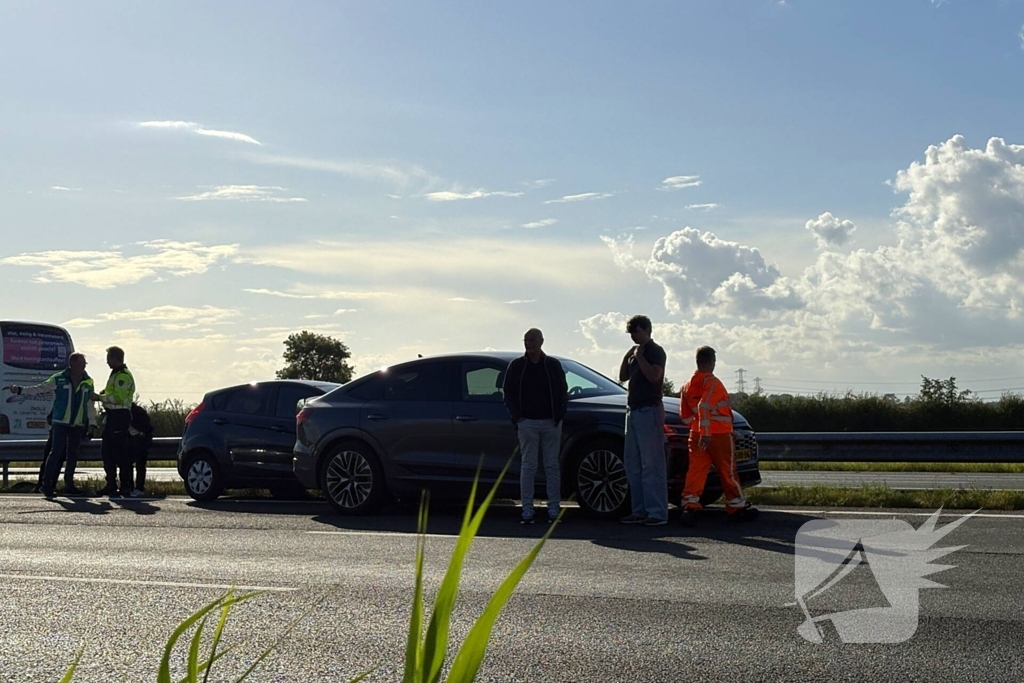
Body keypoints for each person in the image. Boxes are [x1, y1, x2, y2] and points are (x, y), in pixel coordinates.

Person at [678, 346, 758, 525]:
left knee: (696, 472)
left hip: (697, 435)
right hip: (719, 435)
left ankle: (690, 506)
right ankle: (736, 507)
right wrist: (708, 432)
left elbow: (685, 416)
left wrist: (699, 429)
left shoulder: (686, 386)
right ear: (711, 362)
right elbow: (704, 406)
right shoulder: (712, 382)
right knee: (728, 471)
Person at [503, 328, 568, 524]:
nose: (528, 344)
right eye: (526, 340)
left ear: (541, 341)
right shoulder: (517, 366)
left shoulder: (552, 365)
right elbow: (508, 392)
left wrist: (559, 415)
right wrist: (518, 417)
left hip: (551, 421)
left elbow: (562, 390)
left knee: (551, 465)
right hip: (527, 422)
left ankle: (554, 509)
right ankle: (527, 510)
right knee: (529, 465)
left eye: (532, 340)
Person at [9, 353, 96, 498]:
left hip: (77, 424)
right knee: (56, 452)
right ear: (72, 364)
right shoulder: (58, 378)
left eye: (85, 364)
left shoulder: (88, 382)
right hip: (60, 422)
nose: (83, 366)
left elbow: (90, 404)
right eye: (81, 364)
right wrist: (20, 390)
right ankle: (46, 484)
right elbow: (40, 389)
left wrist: (92, 423)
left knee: (73, 455)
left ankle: (69, 485)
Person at [618, 315, 669, 526]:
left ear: (647, 329)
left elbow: (654, 376)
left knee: (651, 464)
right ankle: (638, 510)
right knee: (633, 464)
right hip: (634, 411)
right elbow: (622, 376)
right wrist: (628, 356)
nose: (633, 336)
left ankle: (657, 512)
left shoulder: (655, 351)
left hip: (649, 411)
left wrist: (640, 358)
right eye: (631, 333)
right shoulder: (633, 352)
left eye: (636, 332)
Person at [93, 346, 135, 497]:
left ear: (115, 358)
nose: (106, 362)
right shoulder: (115, 374)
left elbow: (117, 397)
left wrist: (100, 397)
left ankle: (125, 486)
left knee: (121, 453)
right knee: (107, 452)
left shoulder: (123, 376)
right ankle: (111, 484)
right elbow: (111, 393)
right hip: (112, 416)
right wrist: (104, 395)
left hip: (120, 416)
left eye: (108, 358)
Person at [128, 402, 154, 497]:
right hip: (132, 439)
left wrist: (142, 434)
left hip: (140, 440)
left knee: (139, 465)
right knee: (130, 464)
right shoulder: (135, 410)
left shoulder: (136, 411)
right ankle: (132, 487)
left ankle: (138, 488)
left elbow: (147, 427)